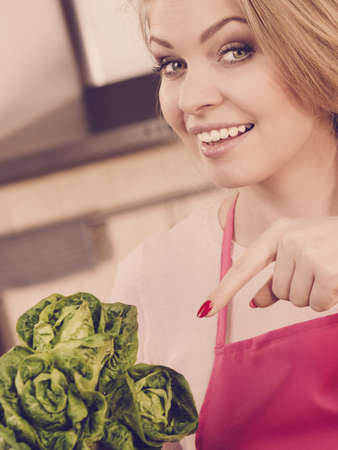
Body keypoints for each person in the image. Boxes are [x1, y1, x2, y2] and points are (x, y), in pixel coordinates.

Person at [111, 0, 338, 448]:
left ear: (318, 47)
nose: (191, 99)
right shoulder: (152, 281)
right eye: (172, 64)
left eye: (236, 50)